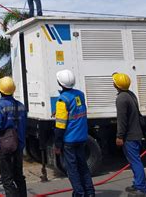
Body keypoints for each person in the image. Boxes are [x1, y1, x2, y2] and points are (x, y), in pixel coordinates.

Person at [54, 69, 95, 197]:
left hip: (69, 140)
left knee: (72, 169)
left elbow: (60, 125)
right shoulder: (80, 95)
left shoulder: (62, 100)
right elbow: (76, 112)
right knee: (83, 166)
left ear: (60, 83)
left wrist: (57, 144)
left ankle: (79, 193)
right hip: (82, 137)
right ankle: (90, 192)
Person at [113, 73, 146, 197]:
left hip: (130, 136)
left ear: (116, 85)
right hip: (136, 133)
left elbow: (122, 120)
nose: (113, 83)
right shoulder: (130, 95)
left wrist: (119, 136)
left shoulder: (121, 99)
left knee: (135, 161)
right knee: (134, 160)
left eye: (114, 81)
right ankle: (137, 183)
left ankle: (141, 189)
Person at [0, 76, 27, 197]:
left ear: (0, 90)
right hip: (19, 145)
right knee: (19, 176)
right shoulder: (21, 106)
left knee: (7, 179)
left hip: (5, 146)